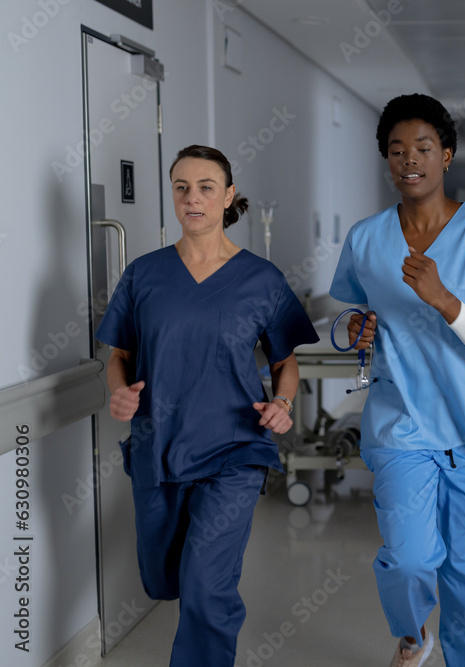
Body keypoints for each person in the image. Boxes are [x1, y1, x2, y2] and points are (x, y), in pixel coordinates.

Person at [329, 93, 465, 667]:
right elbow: (345, 316)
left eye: (422, 147)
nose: (409, 160)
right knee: (409, 558)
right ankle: (411, 634)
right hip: (401, 423)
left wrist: (446, 301)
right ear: (386, 161)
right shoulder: (368, 239)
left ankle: (460, 660)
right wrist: (354, 327)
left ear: (446, 155)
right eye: (396, 151)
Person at [97, 145, 318, 666]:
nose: (192, 198)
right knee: (164, 578)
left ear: (228, 196)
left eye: (205, 187)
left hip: (235, 449)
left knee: (205, 582)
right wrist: (119, 390)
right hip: (160, 450)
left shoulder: (260, 279)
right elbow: (119, 356)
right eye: (181, 188)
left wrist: (282, 402)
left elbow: (285, 362)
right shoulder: (144, 275)